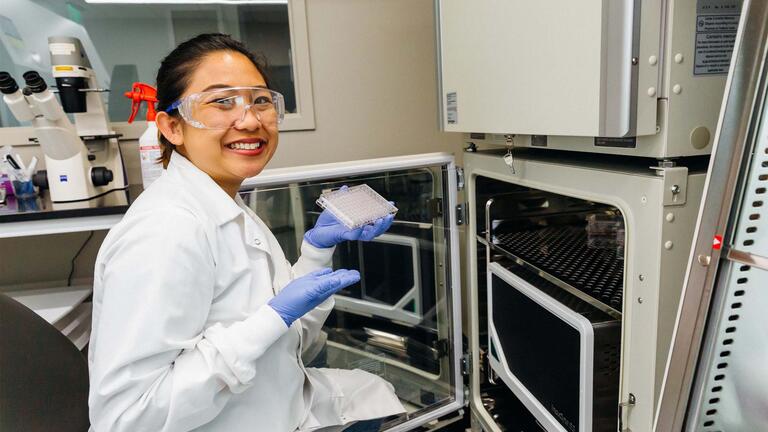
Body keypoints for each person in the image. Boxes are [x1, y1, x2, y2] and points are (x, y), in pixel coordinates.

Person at [87, 33, 405, 432]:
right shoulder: (166, 232)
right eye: (221, 102)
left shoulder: (226, 204)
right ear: (171, 126)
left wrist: (315, 253)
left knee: (372, 394)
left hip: (275, 405)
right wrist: (272, 317)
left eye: (260, 100)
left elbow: (290, 345)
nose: (251, 120)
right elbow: (127, 419)